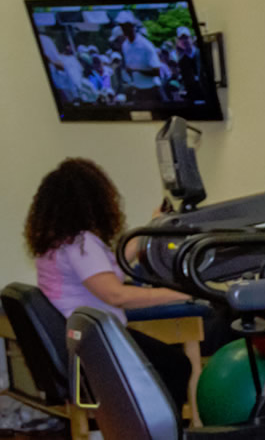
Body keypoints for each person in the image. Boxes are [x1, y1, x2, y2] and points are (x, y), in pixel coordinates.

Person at [25, 158, 194, 409]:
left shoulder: (58, 242)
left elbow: (106, 268)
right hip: (99, 346)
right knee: (177, 365)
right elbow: (116, 296)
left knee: (172, 362)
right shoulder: (81, 244)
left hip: (86, 342)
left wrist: (151, 229)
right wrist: (182, 294)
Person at [110, 10, 166, 102]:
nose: (123, 28)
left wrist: (136, 70)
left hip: (153, 90)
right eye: (121, 26)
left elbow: (157, 72)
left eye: (125, 26)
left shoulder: (145, 45)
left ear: (132, 26)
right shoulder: (125, 46)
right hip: (138, 91)